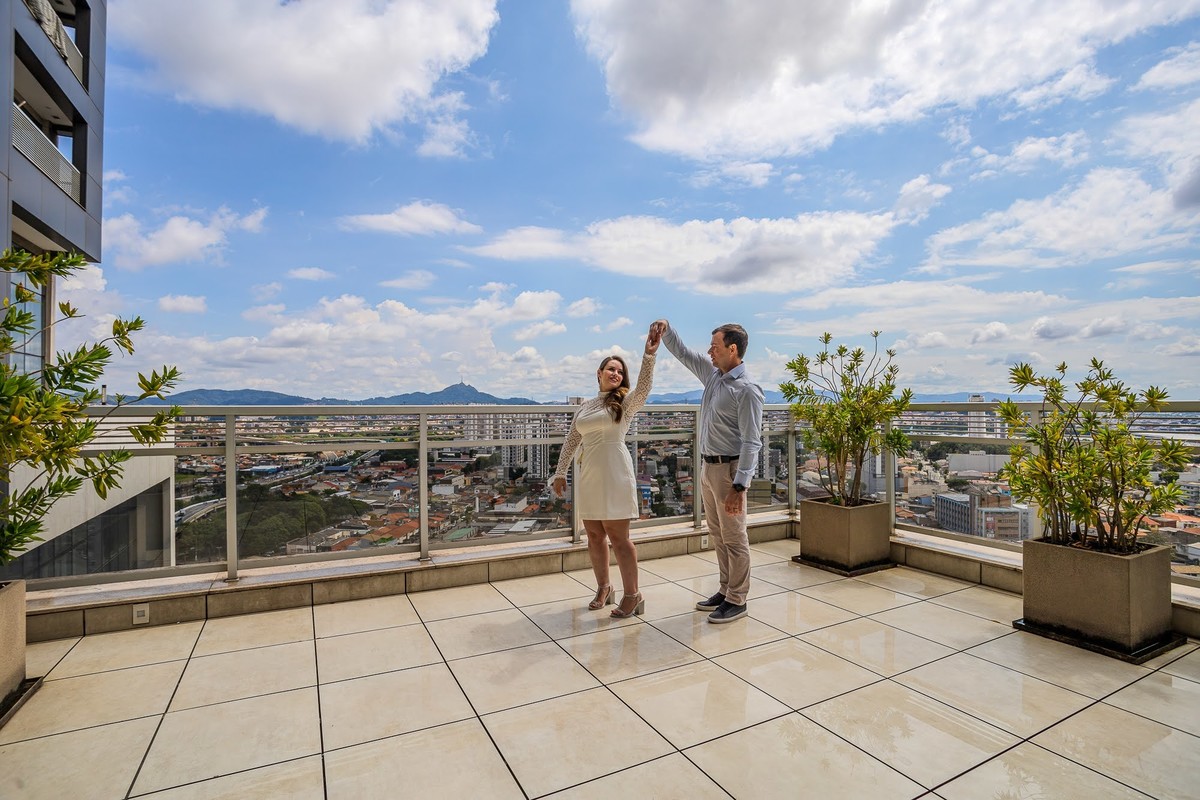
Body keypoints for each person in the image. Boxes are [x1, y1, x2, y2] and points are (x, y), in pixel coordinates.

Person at [650, 320, 763, 623]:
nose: (709, 351)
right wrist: (667, 331)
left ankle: (738, 600)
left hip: (729, 471)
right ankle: (726, 590)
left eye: (714, 346)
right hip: (707, 467)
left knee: (735, 537)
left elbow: (753, 442)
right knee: (718, 534)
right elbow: (684, 354)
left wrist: (740, 487)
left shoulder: (747, 390)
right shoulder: (714, 377)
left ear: (732, 348)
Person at [551, 325, 660, 618]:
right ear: (598, 374)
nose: (616, 374)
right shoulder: (584, 407)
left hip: (615, 472)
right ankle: (604, 588)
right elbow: (572, 440)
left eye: (620, 372)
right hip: (590, 475)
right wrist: (560, 473)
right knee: (594, 535)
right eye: (611, 370)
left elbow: (645, 387)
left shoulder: (624, 402)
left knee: (620, 537)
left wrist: (648, 355)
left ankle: (633, 595)